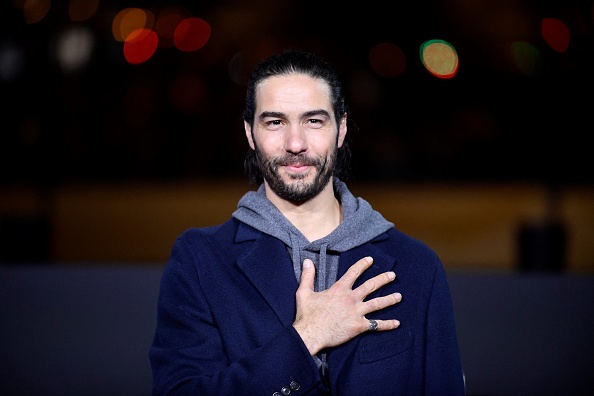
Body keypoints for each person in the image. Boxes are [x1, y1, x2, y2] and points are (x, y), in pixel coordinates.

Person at [149, 50, 465, 395]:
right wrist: (308, 337)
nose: (295, 144)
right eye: (275, 122)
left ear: (341, 129)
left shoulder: (416, 265)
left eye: (314, 121)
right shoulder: (200, 261)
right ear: (250, 133)